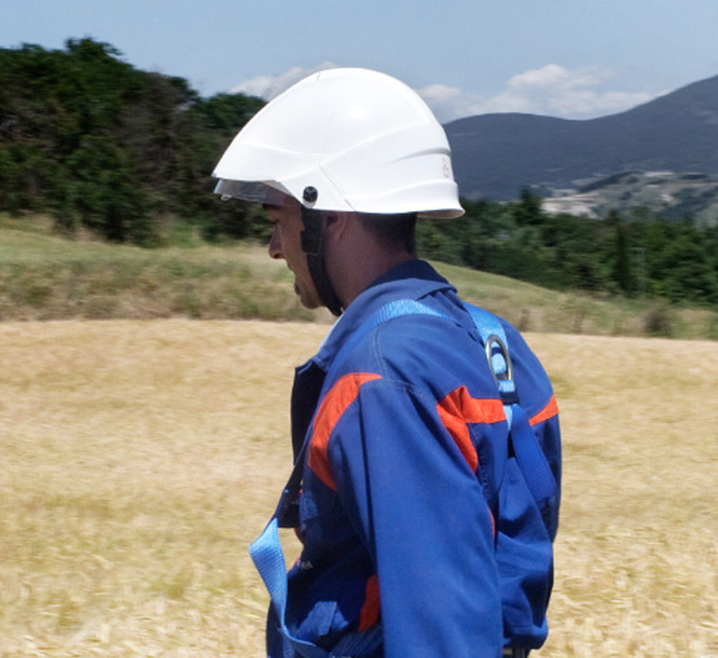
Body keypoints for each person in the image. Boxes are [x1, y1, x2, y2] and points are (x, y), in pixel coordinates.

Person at [213, 68, 561, 657]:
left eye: (279, 221)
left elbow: (440, 627)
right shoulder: (495, 341)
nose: (274, 247)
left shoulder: (380, 378)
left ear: (332, 219)